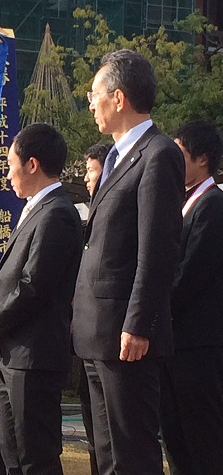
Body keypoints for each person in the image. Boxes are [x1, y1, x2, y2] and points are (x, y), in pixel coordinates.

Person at [72, 49, 184, 475]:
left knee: (131, 453)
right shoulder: (115, 157)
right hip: (97, 330)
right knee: (106, 454)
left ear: (118, 98)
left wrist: (139, 323)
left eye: (94, 95)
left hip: (126, 334)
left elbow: (157, 248)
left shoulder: (158, 154)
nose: (91, 104)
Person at [0, 123, 83, 474]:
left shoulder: (57, 213)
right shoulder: (35, 209)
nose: (7, 174)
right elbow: (5, 278)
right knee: (13, 456)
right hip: (13, 353)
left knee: (35, 457)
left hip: (35, 356)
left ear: (32, 164)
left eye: (10, 164)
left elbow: (33, 286)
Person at [159, 120, 223, 475]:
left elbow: (191, 273)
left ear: (202, 158)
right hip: (175, 342)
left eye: (179, 153)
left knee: (202, 438)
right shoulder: (183, 203)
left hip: (198, 345)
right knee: (175, 436)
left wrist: (152, 309)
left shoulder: (212, 205)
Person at [77, 142, 110, 475]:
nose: (87, 177)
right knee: (95, 435)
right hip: (85, 336)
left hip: (110, 336)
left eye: (91, 170)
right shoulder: (89, 214)